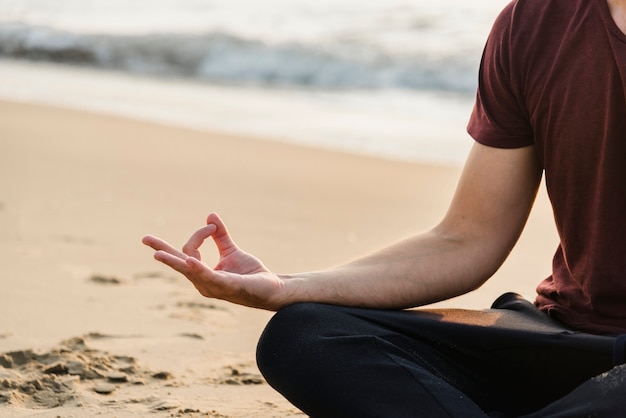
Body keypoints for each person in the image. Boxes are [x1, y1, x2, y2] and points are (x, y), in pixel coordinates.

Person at [142, 0, 626, 416]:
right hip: (568, 342)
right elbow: (465, 239)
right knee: (307, 337)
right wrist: (285, 287)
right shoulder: (535, 23)